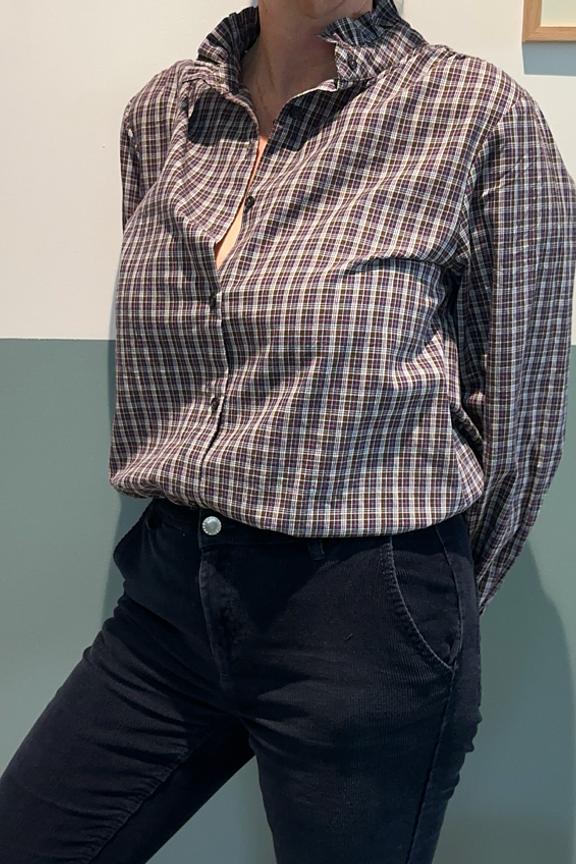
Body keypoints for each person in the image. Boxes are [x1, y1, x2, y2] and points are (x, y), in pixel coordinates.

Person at [0, 0, 574, 862]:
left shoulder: (474, 113)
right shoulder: (165, 113)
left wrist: (417, 608)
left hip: (365, 613)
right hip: (170, 598)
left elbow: (520, 414)